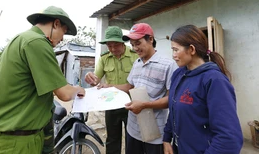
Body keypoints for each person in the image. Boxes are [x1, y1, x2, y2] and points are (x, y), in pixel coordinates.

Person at [0, 6, 85, 154]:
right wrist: (79, 89)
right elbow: (65, 94)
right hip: (18, 142)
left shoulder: (20, 40)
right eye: (64, 32)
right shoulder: (37, 43)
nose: (62, 39)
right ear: (56, 24)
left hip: (9, 137)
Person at [98, 23, 178, 154]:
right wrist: (109, 86)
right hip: (133, 129)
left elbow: (171, 100)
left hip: (155, 132)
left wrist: (145, 105)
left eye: (138, 43)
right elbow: (129, 86)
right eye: (132, 44)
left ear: (150, 39)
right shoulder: (137, 63)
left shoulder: (168, 65)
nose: (135, 48)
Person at [163, 25, 243, 154]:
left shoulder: (214, 80)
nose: (173, 55)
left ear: (191, 49)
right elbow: (174, 108)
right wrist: (167, 138)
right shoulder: (178, 74)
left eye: (175, 50)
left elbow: (229, 137)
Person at [85, 26, 138, 154]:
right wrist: (91, 79)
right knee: (112, 139)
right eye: (109, 46)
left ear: (122, 42)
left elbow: (137, 84)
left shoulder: (135, 56)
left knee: (132, 139)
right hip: (112, 105)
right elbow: (97, 79)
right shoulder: (104, 58)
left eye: (116, 45)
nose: (113, 49)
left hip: (131, 104)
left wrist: (109, 86)